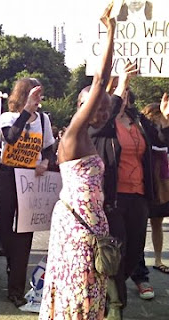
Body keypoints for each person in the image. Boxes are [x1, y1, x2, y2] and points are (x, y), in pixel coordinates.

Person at [39, 4, 116, 319]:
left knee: (89, 291)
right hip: (77, 230)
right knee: (78, 291)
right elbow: (100, 82)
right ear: (80, 106)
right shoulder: (73, 135)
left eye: (106, 109)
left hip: (87, 228)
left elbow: (107, 90)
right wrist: (112, 32)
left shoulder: (87, 135)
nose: (102, 113)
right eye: (96, 107)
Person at [89, 65, 169, 318]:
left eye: (124, 94)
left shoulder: (139, 122)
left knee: (134, 252)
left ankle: (110, 294)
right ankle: (114, 306)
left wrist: (165, 121)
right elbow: (108, 113)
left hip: (139, 197)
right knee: (115, 252)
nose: (122, 97)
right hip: (113, 198)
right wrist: (120, 82)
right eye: (117, 94)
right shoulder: (101, 124)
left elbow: (160, 145)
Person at [0, 77, 55, 308]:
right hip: (8, 175)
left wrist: (46, 162)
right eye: (34, 95)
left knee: (24, 233)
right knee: (3, 228)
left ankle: (16, 288)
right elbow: (11, 137)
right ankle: (12, 266)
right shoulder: (8, 118)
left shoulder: (44, 120)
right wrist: (26, 110)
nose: (38, 100)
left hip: (31, 178)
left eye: (39, 96)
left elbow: (49, 149)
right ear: (23, 94)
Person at [140, 102, 169, 274]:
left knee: (157, 223)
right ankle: (139, 262)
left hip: (162, 184)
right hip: (147, 181)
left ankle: (158, 259)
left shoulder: (165, 129)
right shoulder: (144, 128)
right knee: (140, 225)